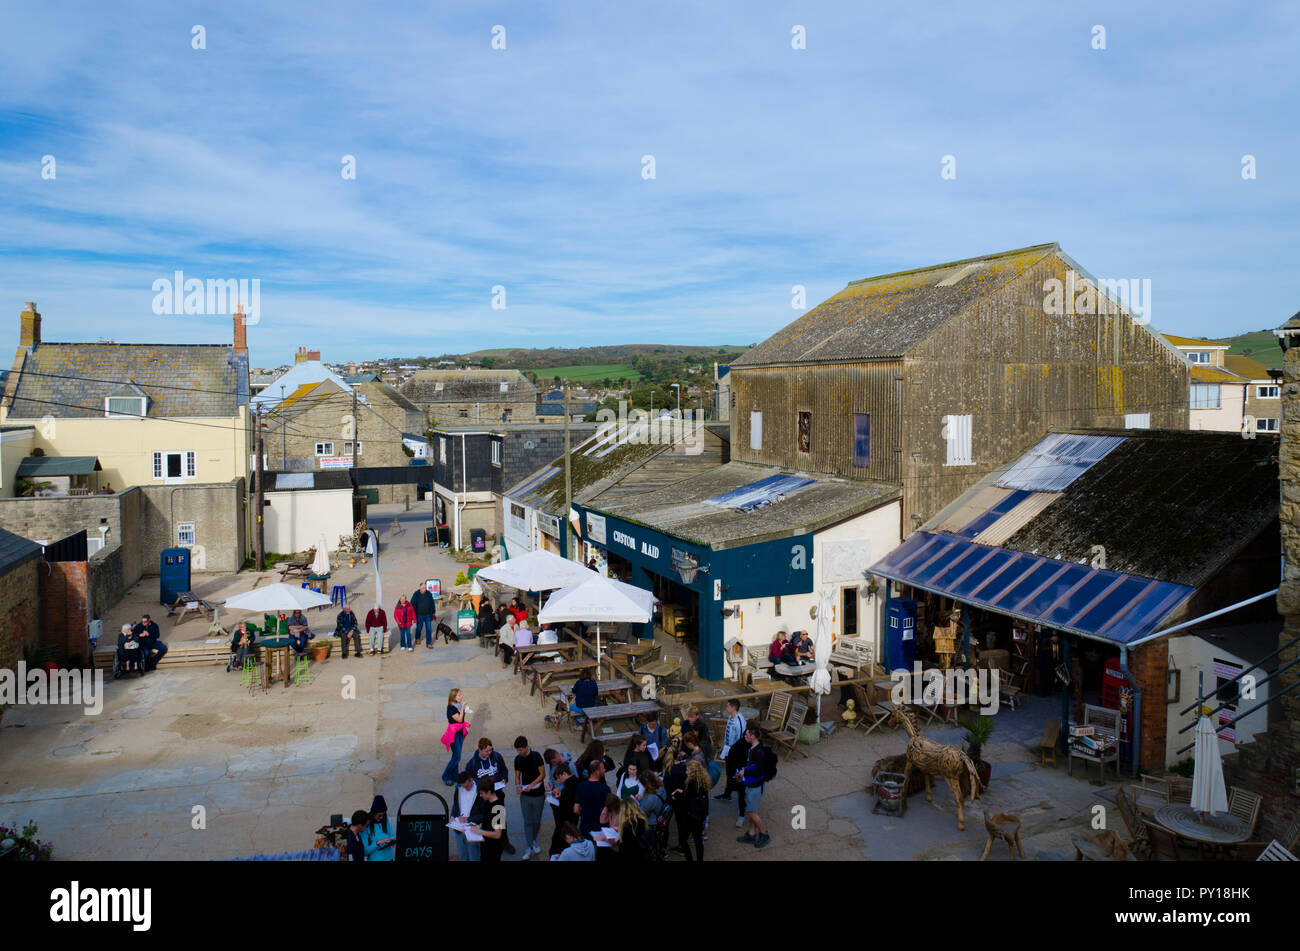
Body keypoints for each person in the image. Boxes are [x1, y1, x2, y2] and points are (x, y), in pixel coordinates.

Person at [736, 726, 770, 849]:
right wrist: (745, 770)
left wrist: (745, 772)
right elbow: (753, 767)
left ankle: (764, 833)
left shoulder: (758, 752)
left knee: (752, 812)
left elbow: (759, 772)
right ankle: (751, 833)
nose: (745, 736)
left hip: (755, 787)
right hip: (751, 785)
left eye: (746, 735)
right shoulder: (753, 748)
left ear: (753, 736)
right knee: (752, 811)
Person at [513, 736, 547, 859]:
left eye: (521, 749)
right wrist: (517, 786)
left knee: (536, 820)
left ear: (527, 747)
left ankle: (534, 841)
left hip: (538, 794)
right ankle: (528, 846)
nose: (519, 752)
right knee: (528, 821)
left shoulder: (536, 756)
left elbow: (542, 774)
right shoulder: (518, 759)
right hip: (525, 795)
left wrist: (531, 785)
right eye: (518, 750)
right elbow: (517, 775)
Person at [673, 759, 710, 861]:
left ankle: (689, 858)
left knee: (683, 840)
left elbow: (685, 799)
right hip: (700, 816)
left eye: (688, 770)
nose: (686, 772)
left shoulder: (691, 783)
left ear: (693, 771)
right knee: (698, 841)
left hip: (690, 816)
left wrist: (676, 795)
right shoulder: (703, 781)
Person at [716, 699, 747, 810]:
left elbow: (741, 740)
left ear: (733, 708)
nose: (726, 708)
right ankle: (727, 794)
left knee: (737, 774)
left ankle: (742, 795)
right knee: (729, 773)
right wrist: (724, 747)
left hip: (736, 753)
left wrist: (734, 753)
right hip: (728, 750)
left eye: (728, 706)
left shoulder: (740, 722)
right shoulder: (730, 717)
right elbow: (727, 733)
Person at [547, 761, 580, 857]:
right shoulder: (576, 782)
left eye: (559, 777)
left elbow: (563, 812)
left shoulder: (567, 789)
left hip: (566, 824)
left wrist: (553, 804)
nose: (560, 781)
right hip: (574, 819)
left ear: (565, 774)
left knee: (557, 846)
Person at [471, 780, 507, 863]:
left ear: (489, 792)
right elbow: (487, 819)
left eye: (482, 793)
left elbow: (497, 834)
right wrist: (479, 825)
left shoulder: (498, 809)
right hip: (486, 844)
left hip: (493, 848)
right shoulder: (488, 802)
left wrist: (479, 831)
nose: (480, 796)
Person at [441, 689, 470, 786]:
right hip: (453, 734)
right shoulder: (451, 708)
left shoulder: (457, 705)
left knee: (456, 756)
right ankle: (446, 776)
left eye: (460, 695)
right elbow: (460, 719)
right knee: (457, 757)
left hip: (460, 732)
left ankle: (455, 776)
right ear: (453, 697)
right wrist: (462, 707)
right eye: (458, 695)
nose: (461, 697)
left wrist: (463, 708)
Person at [450, 770, 482, 861]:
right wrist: (452, 815)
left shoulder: (480, 790)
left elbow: (485, 813)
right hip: (459, 825)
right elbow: (456, 803)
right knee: (462, 853)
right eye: (464, 787)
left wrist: (468, 819)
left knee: (474, 854)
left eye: (467, 786)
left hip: (473, 826)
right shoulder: (459, 788)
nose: (466, 788)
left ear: (471, 780)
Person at [574, 758, 611, 836]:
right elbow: (610, 808)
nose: (604, 770)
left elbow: (576, 809)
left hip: (585, 826)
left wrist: (584, 814)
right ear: (597, 772)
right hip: (601, 827)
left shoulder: (581, 786)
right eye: (603, 768)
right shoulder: (605, 788)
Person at [615, 797, 651, 862]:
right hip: (643, 854)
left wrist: (618, 841)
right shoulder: (641, 820)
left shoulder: (626, 827)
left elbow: (624, 850)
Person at [363, 795, 396, 861]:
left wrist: (391, 841)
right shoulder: (366, 824)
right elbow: (365, 851)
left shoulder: (385, 820)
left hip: (389, 858)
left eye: (383, 815)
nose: (381, 817)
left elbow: (392, 836)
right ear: (373, 813)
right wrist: (378, 843)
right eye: (379, 815)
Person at [411, 583, 437, 649]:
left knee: (429, 629)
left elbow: (432, 604)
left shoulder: (429, 594)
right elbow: (411, 604)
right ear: (420, 588)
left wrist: (433, 612)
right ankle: (417, 638)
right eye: (423, 588)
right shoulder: (416, 594)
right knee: (419, 628)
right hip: (419, 615)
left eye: (425, 588)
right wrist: (411, 614)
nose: (424, 589)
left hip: (428, 615)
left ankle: (429, 643)